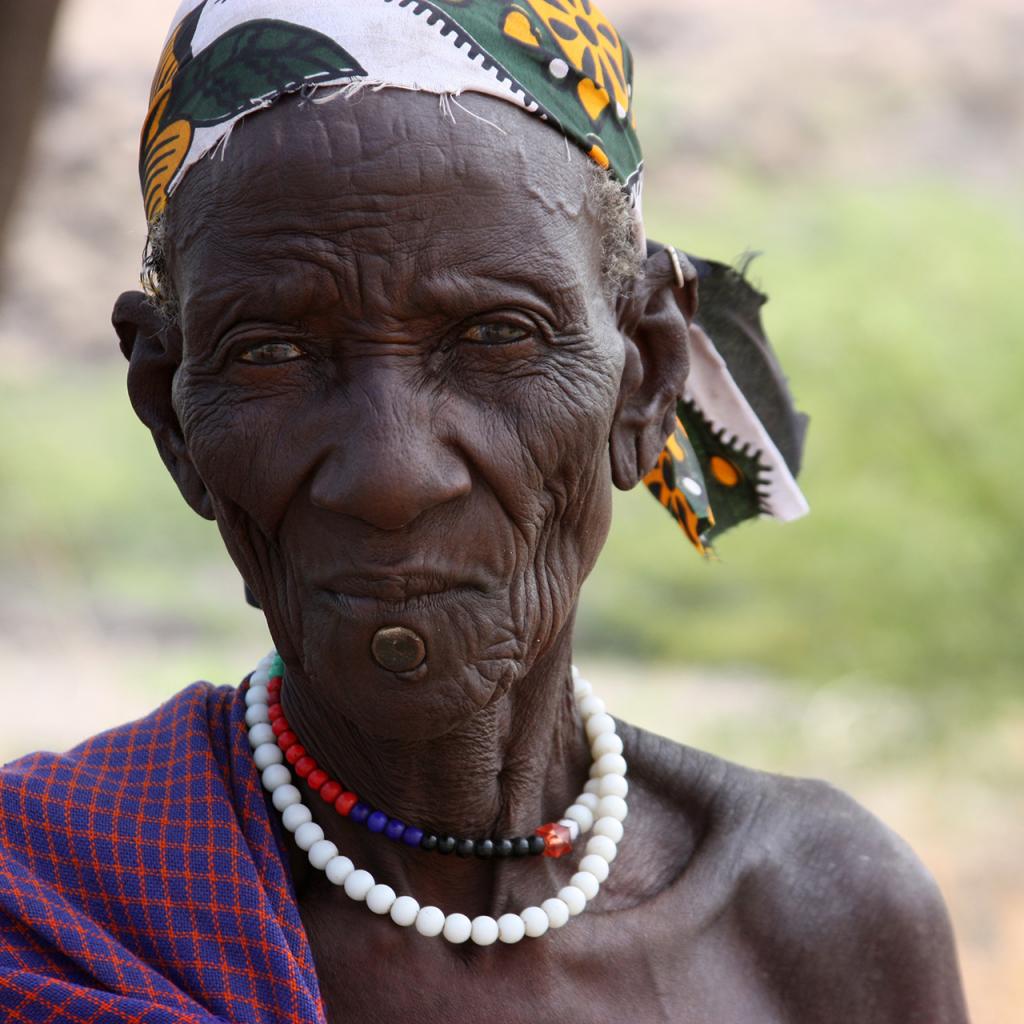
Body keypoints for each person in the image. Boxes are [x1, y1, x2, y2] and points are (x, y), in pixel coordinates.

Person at [0, 2, 968, 1021]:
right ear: (170, 414)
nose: (390, 477)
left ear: (642, 378)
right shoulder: (48, 906)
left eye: (496, 336)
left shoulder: (821, 919)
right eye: (272, 352)